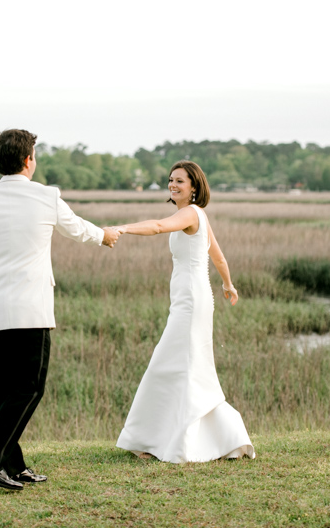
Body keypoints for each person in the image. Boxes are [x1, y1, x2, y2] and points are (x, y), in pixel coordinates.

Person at [0, 129, 120, 490]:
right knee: (29, 387)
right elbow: (76, 229)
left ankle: (12, 465)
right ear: (29, 160)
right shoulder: (46, 196)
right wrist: (104, 235)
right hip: (30, 309)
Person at [114, 160, 255, 463]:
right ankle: (167, 439)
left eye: (180, 181)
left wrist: (122, 228)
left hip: (191, 301)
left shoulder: (190, 213)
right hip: (188, 298)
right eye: (170, 180)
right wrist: (228, 285)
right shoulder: (195, 215)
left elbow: (158, 227)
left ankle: (160, 442)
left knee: (171, 363)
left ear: (194, 186)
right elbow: (217, 256)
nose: (173, 185)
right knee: (185, 365)